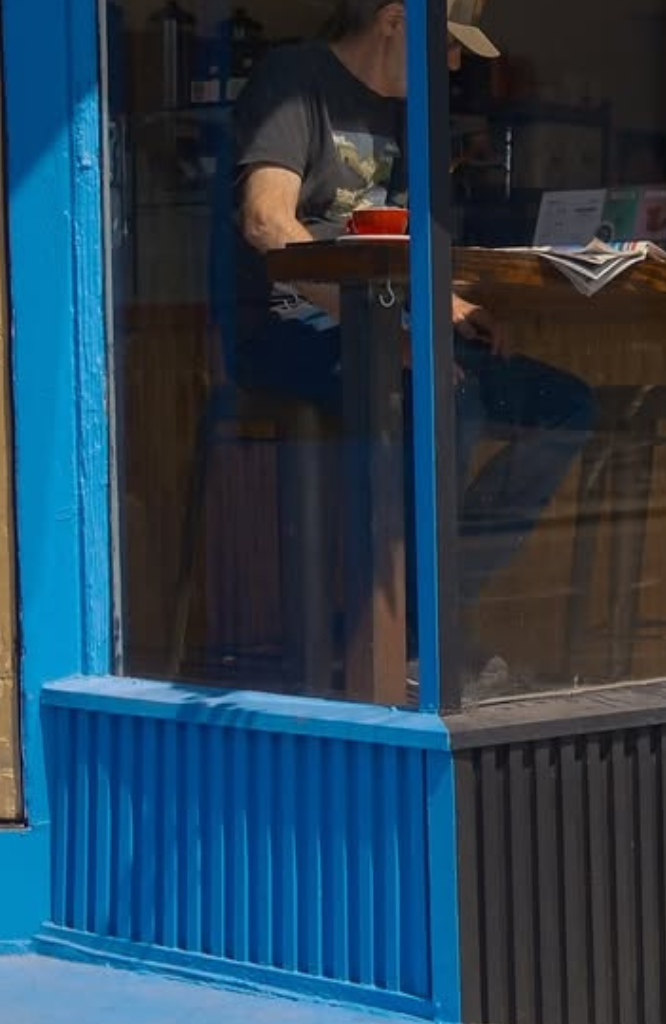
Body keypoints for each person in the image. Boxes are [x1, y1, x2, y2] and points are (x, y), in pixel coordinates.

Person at [229, 0, 593, 689]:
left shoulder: (410, 112)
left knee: (563, 405)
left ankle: (435, 610)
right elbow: (265, 222)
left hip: (387, 328)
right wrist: (385, 329)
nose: (454, 64)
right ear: (396, 20)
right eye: (447, 46)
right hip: (288, 329)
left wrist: (450, 308)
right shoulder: (294, 78)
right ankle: (400, 644)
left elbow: (399, 249)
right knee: (446, 400)